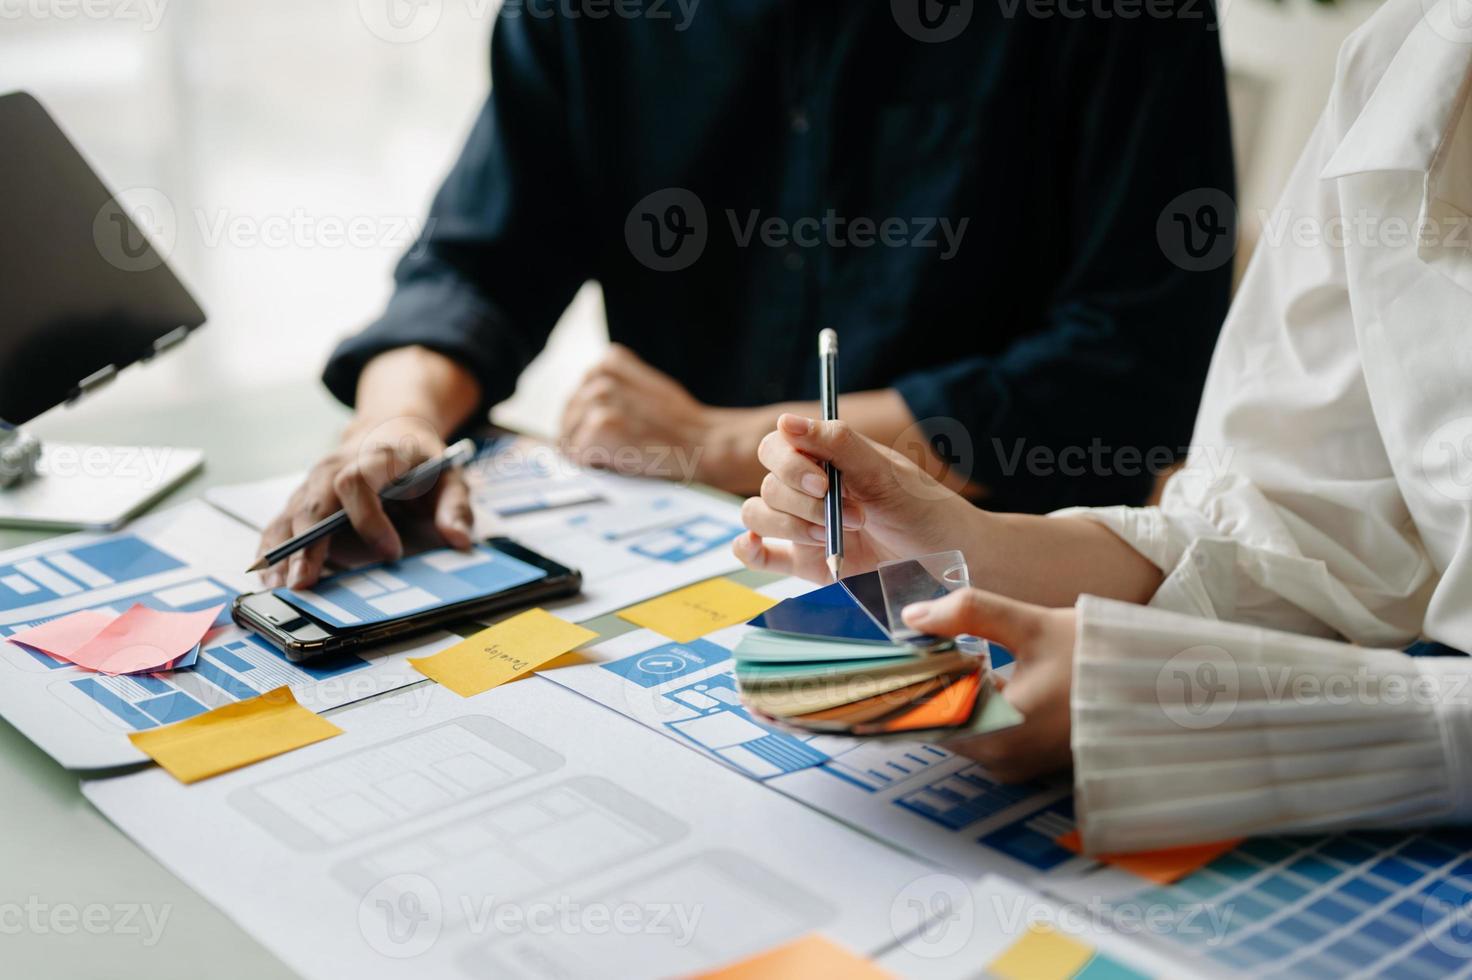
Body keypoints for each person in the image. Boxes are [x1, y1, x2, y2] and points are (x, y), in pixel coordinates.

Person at [735, 0, 1472, 855]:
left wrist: (1204, 704)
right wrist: (969, 544)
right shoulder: (1404, 56)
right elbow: (1297, 523)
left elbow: (1134, 354)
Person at [256, 3, 1235, 589]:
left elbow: (1136, 359)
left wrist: (718, 440)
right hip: (679, 563)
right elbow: (474, 266)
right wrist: (393, 427)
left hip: (1017, 576)